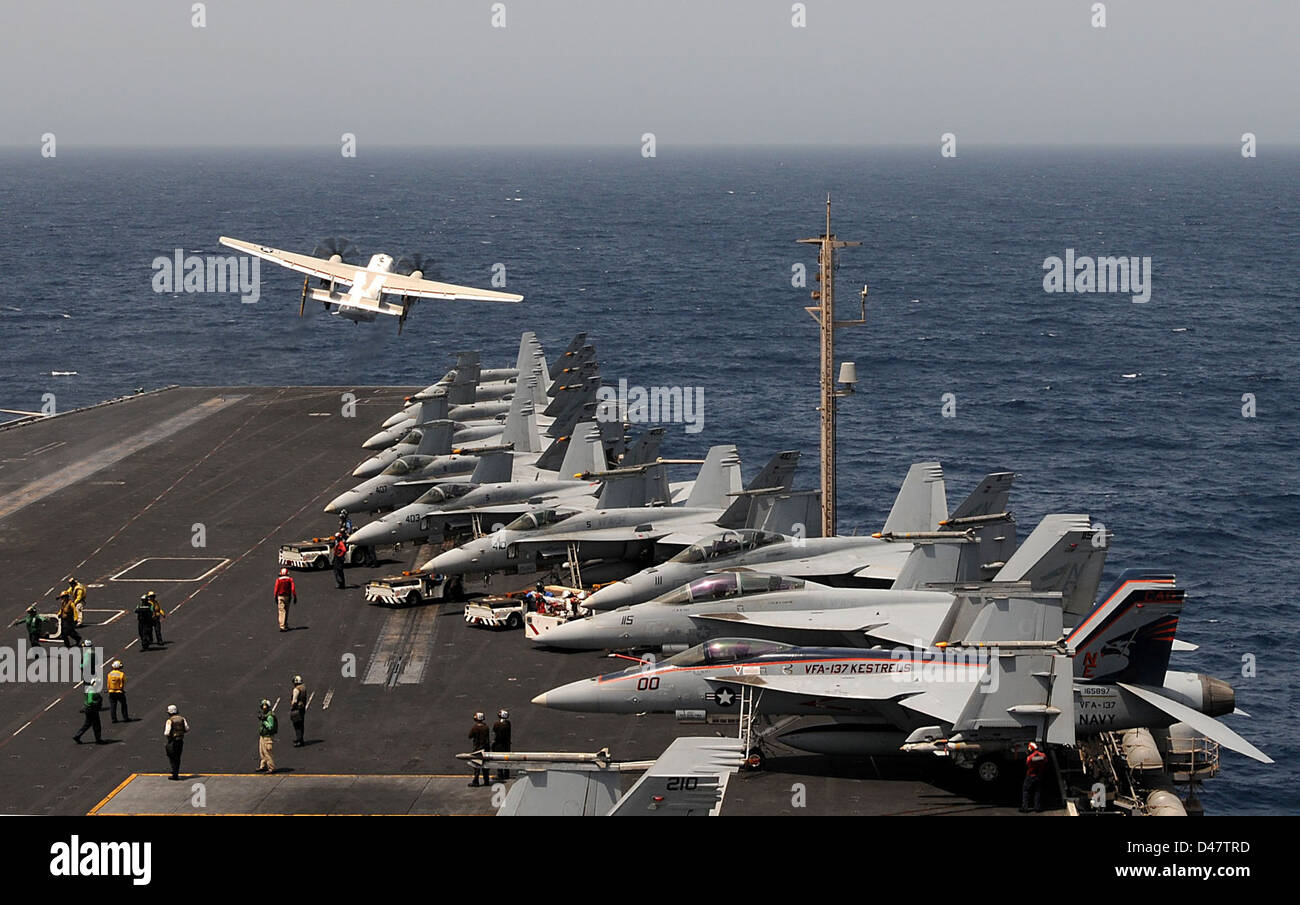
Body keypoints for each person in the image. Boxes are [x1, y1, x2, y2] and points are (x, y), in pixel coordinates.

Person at [73, 678, 104, 744]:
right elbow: (90, 701)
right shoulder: (91, 691)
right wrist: (97, 702)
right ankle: (98, 739)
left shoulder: (89, 689)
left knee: (87, 724)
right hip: (92, 709)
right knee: (96, 724)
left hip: (88, 709)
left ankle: (77, 736)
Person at [1021, 742, 1049, 813]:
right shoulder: (1043, 755)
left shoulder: (1029, 758)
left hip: (1030, 776)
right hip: (1039, 775)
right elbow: (1046, 761)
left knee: (1026, 790)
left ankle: (1025, 807)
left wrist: (1028, 755)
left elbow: (1027, 764)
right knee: (1037, 791)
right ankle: (1037, 807)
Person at [164, 704, 189, 781]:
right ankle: (175, 772)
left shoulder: (170, 721)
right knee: (178, 757)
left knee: (172, 757)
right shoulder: (182, 719)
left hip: (172, 741)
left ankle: (174, 774)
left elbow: (167, 733)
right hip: (180, 740)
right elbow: (187, 728)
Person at [468, 712, 490, 787]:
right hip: (486, 748)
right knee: (485, 765)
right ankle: (486, 781)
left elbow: (470, 736)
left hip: (477, 748)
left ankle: (476, 781)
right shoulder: (486, 727)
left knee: (477, 765)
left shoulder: (475, 728)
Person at [256, 699, 278, 773]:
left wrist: (264, 721)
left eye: (265, 706)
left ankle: (271, 767)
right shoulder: (265, 715)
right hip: (262, 736)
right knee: (262, 752)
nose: (263, 708)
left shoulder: (270, 716)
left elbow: (270, 726)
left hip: (268, 737)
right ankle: (263, 766)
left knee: (268, 753)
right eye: (263, 706)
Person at [273, 568, 296, 632]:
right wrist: (295, 596)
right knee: (286, 610)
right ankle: (285, 624)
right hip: (288, 597)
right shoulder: (290, 580)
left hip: (280, 597)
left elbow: (276, 588)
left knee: (281, 611)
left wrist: (275, 596)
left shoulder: (278, 580)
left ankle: (282, 626)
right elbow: (293, 589)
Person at [491, 709, 512, 781]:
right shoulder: (508, 723)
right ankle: (506, 773)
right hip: (506, 744)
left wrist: (494, 742)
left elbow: (495, 733)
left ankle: (500, 774)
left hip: (499, 744)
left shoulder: (497, 724)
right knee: (506, 759)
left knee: (499, 759)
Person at [289, 675, 307, 746]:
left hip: (297, 709)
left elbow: (294, 700)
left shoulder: (296, 689)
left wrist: (292, 706)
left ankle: (299, 740)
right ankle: (300, 739)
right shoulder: (303, 687)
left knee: (297, 725)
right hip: (302, 708)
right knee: (301, 724)